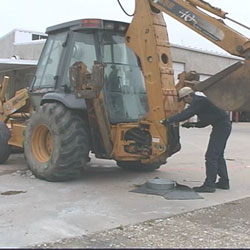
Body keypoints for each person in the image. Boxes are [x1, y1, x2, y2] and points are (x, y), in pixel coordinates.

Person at [160, 87, 232, 193]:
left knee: (211, 156)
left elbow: (186, 114)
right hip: (222, 126)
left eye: (184, 100)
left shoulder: (199, 101)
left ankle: (209, 185)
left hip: (222, 127)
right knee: (218, 155)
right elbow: (205, 122)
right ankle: (224, 182)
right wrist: (192, 124)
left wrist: (168, 120)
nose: (184, 102)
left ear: (188, 96)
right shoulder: (201, 102)